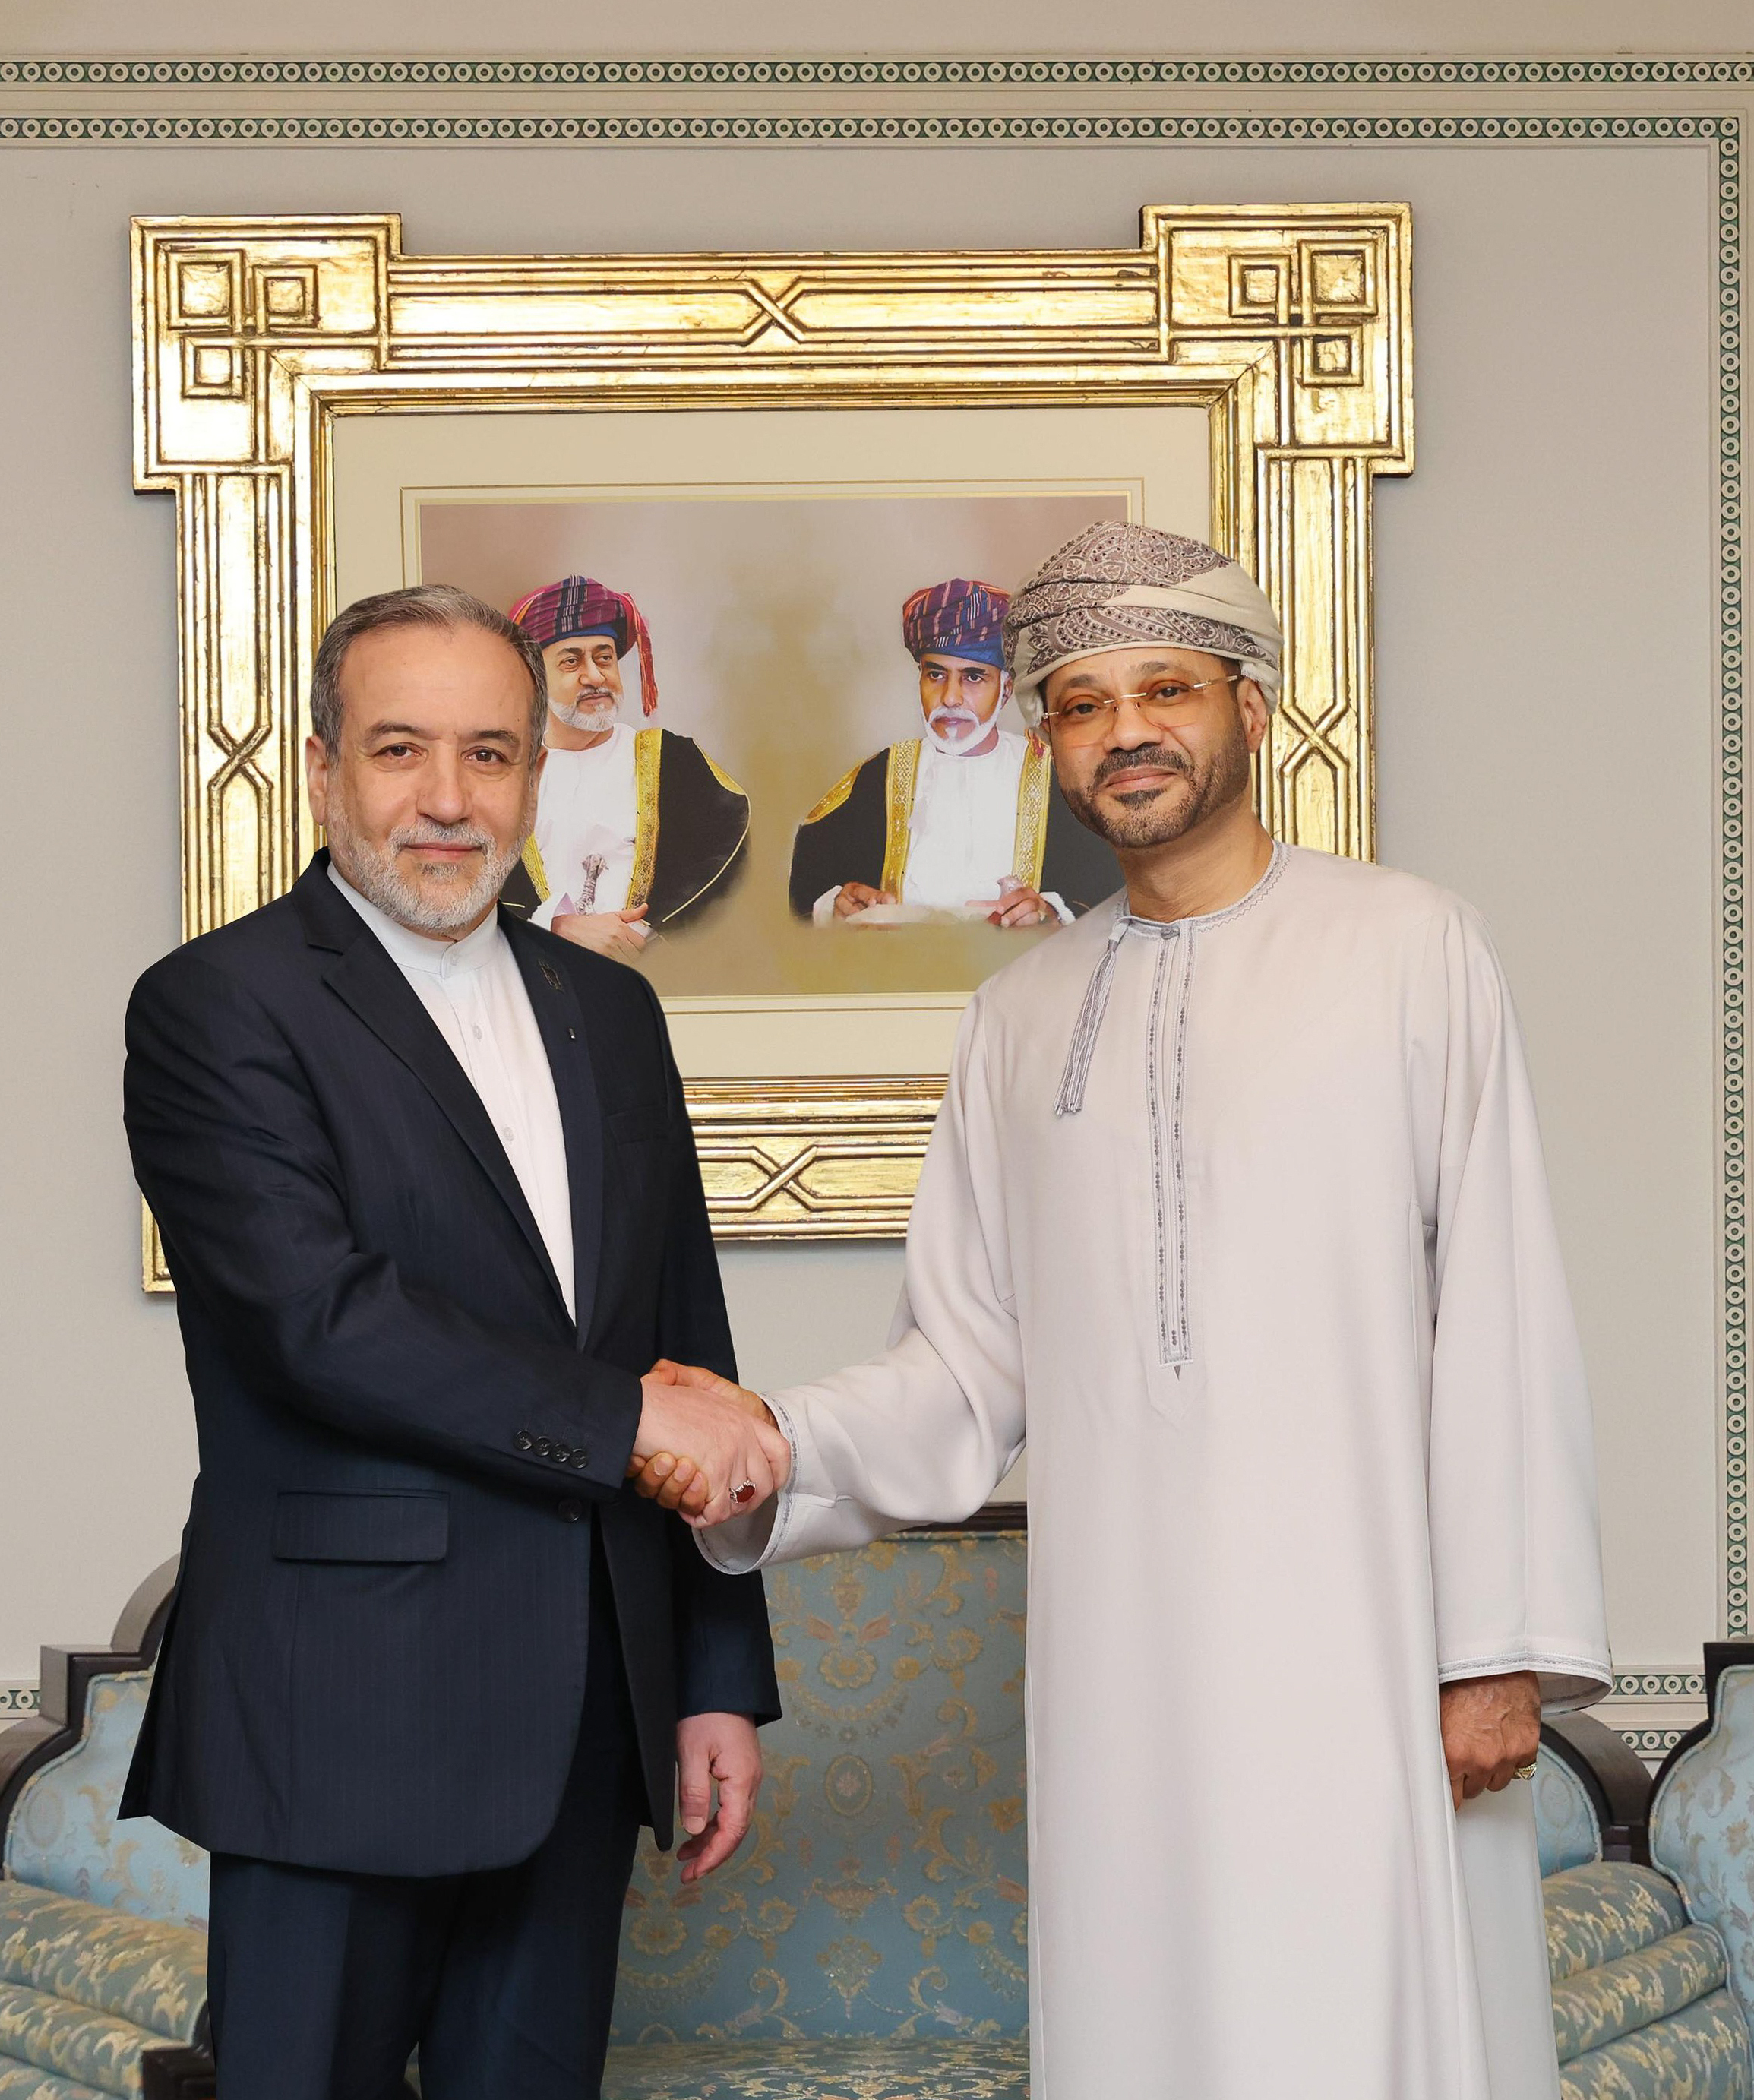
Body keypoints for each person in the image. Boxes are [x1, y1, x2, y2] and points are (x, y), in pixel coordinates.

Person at [631, 522, 1611, 2100]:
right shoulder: (1017, 1014)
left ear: (1250, 704)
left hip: (1366, 1655)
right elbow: (960, 1368)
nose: (1126, 729)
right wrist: (772, 1443)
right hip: (1120, 1677)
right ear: (1046, 741)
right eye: (1080, 702)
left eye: (1165, 685)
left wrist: (1493, 1645)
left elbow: (1499, 1306)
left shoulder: (1409, 946)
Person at [120, 584, 785, 2100]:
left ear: (534, 776)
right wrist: (623, 1419)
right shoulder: (217, 1005)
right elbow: (318, 1319)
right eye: (400, 748)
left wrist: (713, 1674)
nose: (445, 796)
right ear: (321, 767)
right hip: (337, 1707)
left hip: (587, 1716)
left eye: (489, 754)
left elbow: (686, 1337)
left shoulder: (610, 1012)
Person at [788, 577, 1114, 928]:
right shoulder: (879, 776)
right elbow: (808, 887)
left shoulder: (1058, 777)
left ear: (1006, 689)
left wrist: (1051, 913)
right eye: (936, 675)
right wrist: (835, 904)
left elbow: (1112, 889)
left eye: (973, 677)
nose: (951, 698)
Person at [498, 574, 750, 960]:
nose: (595, 677)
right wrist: (555, 926)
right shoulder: (500, 774)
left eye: (605, 658)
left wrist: (647, 936)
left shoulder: (673, 760)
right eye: (571, 661)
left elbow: (732, 855)